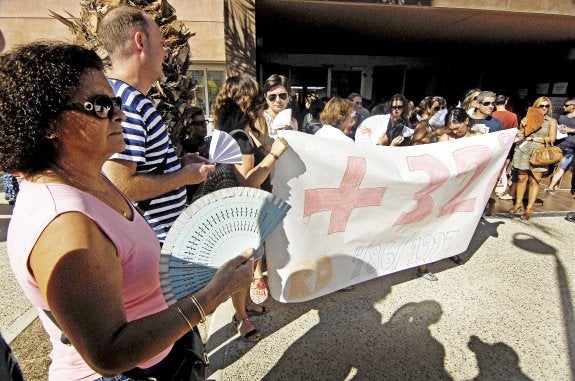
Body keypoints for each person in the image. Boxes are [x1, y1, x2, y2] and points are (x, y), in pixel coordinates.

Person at [0, 41, 254, 381]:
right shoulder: (65, 224)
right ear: (48, 122)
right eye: (101, 105)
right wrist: (213, 294)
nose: (119, 114)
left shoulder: (88, 182)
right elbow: (109, 353)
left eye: (117, 101)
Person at [97, 6, 214, 244]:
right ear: (140, 41)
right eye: (161, 44)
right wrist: (183, 176)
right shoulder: (127, 104)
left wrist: (177, 166)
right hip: (152, 244)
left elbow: (139, 170)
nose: (165, 53)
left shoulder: (125, 98)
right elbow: (119, 184)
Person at [197, 74, 289, 341]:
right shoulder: (240, 137)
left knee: (248, 261)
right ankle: (241, 316)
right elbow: (249, 181)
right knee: (244, 264)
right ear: (246, 102)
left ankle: (246, 303)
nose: (263, 102)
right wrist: (274, 154)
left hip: (234, 212)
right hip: (243, 213)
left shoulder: (227, 131)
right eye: (258, 97)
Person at [510, 96, 558, 220]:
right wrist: (522, 125)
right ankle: (517, 204)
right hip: (524, 151)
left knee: (534, 180)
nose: (544, 108)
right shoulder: (527, 118)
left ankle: (529, 208)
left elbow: (551, 139)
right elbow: (521, 135)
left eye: (546, 106)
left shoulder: (551, 121)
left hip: (539, 153)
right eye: (541, 106)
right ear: (535, 107)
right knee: (521, 178)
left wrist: (534, 138)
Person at [545, 97, 575, 195]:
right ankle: (546, 182)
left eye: (566, 105)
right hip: (558, 145)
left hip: (571, 148)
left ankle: (551, 186)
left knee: (562, 167)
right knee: (551, 163)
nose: (563, 107)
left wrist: (571, 130)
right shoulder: (562, 116)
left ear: (573, 106)